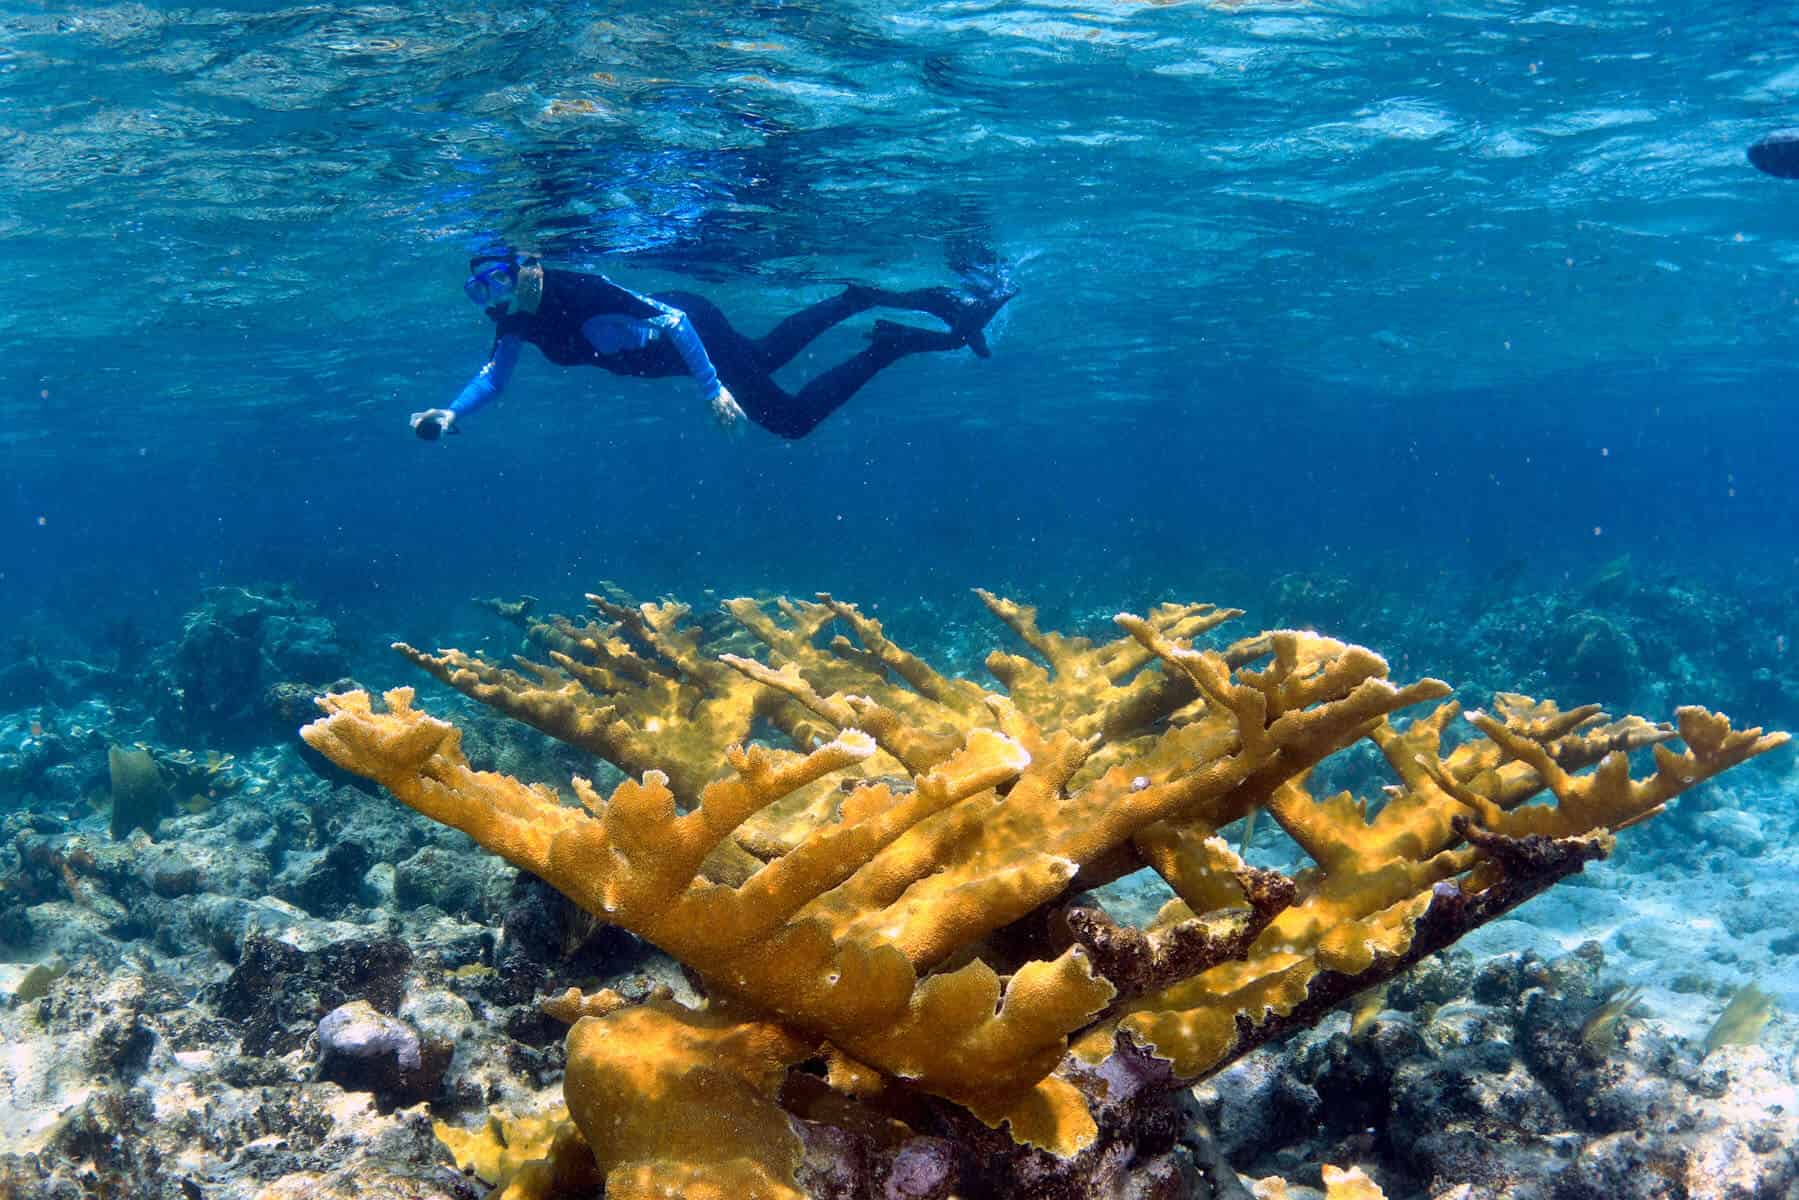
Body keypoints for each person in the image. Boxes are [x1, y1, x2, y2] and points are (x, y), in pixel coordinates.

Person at [411, 250, 1013, 442]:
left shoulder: (582, 288)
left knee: (789, 420)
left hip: (686, 329)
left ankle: (890, 344)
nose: (489, 303)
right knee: (768, 355)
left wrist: (712, 390)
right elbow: (494, 377)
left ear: (526, 271)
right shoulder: (516, 320)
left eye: (494, 286)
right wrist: (451, 410)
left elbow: (672, 320)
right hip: (676, 350)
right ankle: (861, 305)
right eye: (477, 294)